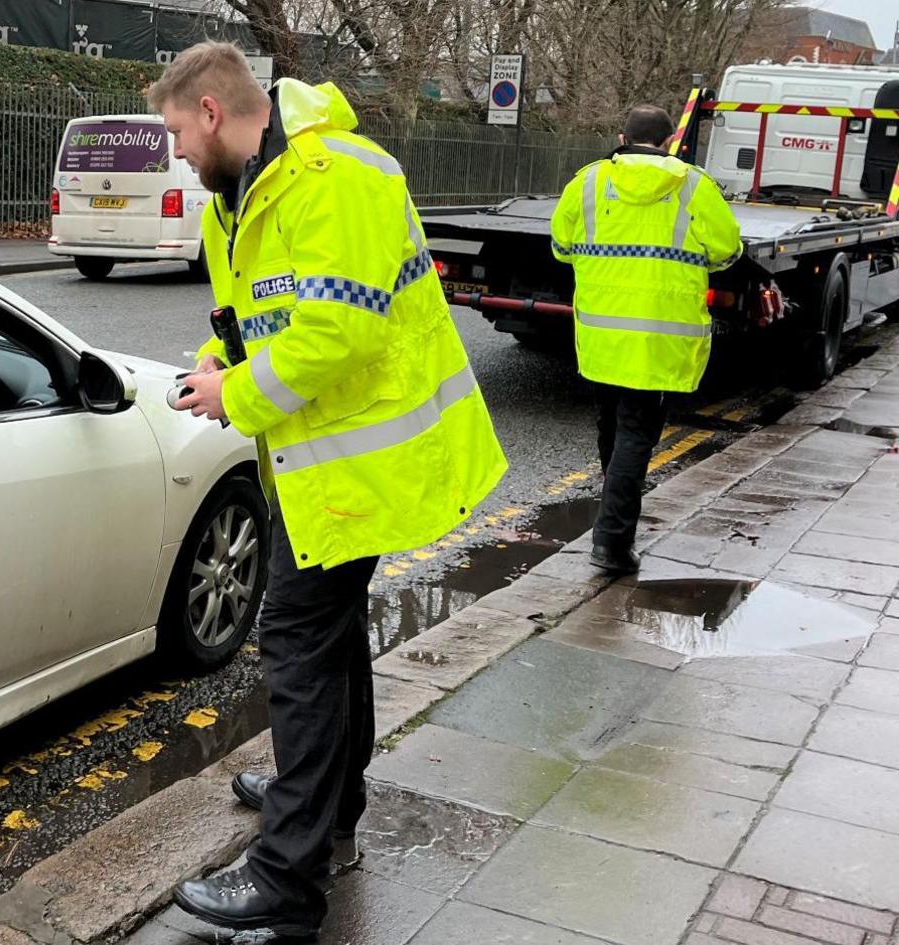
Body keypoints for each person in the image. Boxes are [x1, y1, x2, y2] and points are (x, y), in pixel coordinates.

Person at [148, 42, 507, 940]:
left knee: (297, 643)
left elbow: (339, 332)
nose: (178, 157)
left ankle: (286, 877)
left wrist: (239, 392)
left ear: (211, 112)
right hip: (311, 460)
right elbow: (252, 322)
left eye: (175, 136)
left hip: (362, 461)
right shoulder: (238, 196)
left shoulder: (334, 175)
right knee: (330, 638)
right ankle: (328, 802)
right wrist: (218, 365)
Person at [550, 105, 741, 574]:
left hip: (600, 333)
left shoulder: (589, 181)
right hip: (660, 337)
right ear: (671, 139)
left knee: (612, 424)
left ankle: (611, 516)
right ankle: (612, 542)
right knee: (636, 432)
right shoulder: (694, 185)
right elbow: (726, 249)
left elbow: (560, 245)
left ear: (621, 137)